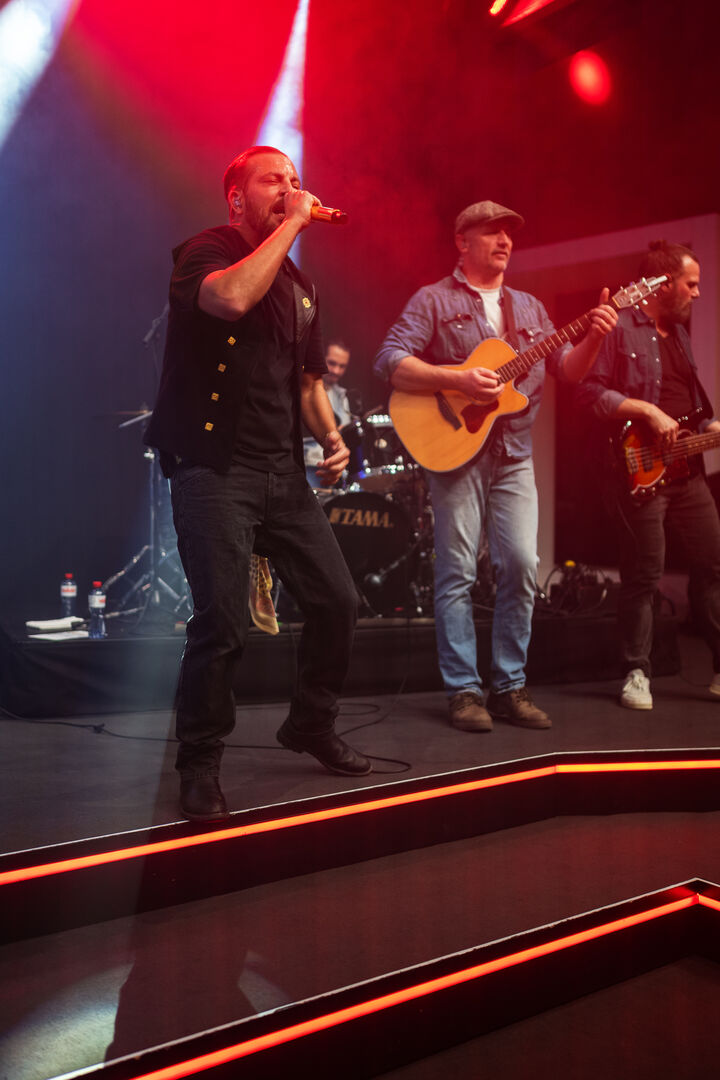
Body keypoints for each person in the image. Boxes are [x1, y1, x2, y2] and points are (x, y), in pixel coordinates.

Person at [144, 145, 370, 823]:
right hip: (214, 468)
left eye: (296, 181)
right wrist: (295, 221)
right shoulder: (206, 251)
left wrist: (332, 438)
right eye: (274, 180)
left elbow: (308, 385)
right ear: (237, 197)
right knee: (222, 620)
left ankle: (310, 723)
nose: (291, 188)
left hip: (282, 472)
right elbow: (231, 298)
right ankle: (200, 763)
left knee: (338, 601)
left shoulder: (301, 286)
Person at [375, 200, 618, 732]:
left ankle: (508, 688)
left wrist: (596, 335)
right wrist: (456, 379)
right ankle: (464, 691)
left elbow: (569, 370)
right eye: (492, 232)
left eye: (509, 233)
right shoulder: (433, 299)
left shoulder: (529, 307)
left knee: (522, 566)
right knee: (457, 572)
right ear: (462, 242)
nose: (505, 241)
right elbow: (390, 361)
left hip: (514, 454)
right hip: (455, 452)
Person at [574, 241, 720, 709]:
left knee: (713, 566)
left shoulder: (678, 334)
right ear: (664, 284)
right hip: (639, 470)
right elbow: (588, 394)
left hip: (688, 472)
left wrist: (707, 427)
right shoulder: (619, 327)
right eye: (691, 284)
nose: (697, 293)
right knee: (644, 575)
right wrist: (645, 411)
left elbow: (686, 401)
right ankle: (636, 671)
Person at [303, 340, 354, 487]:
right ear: (320, 359)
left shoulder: (343, 396)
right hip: (307, 466)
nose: (336, 371)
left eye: (342, 366)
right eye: (332, 363)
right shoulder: (303, 392)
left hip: (336, 470)